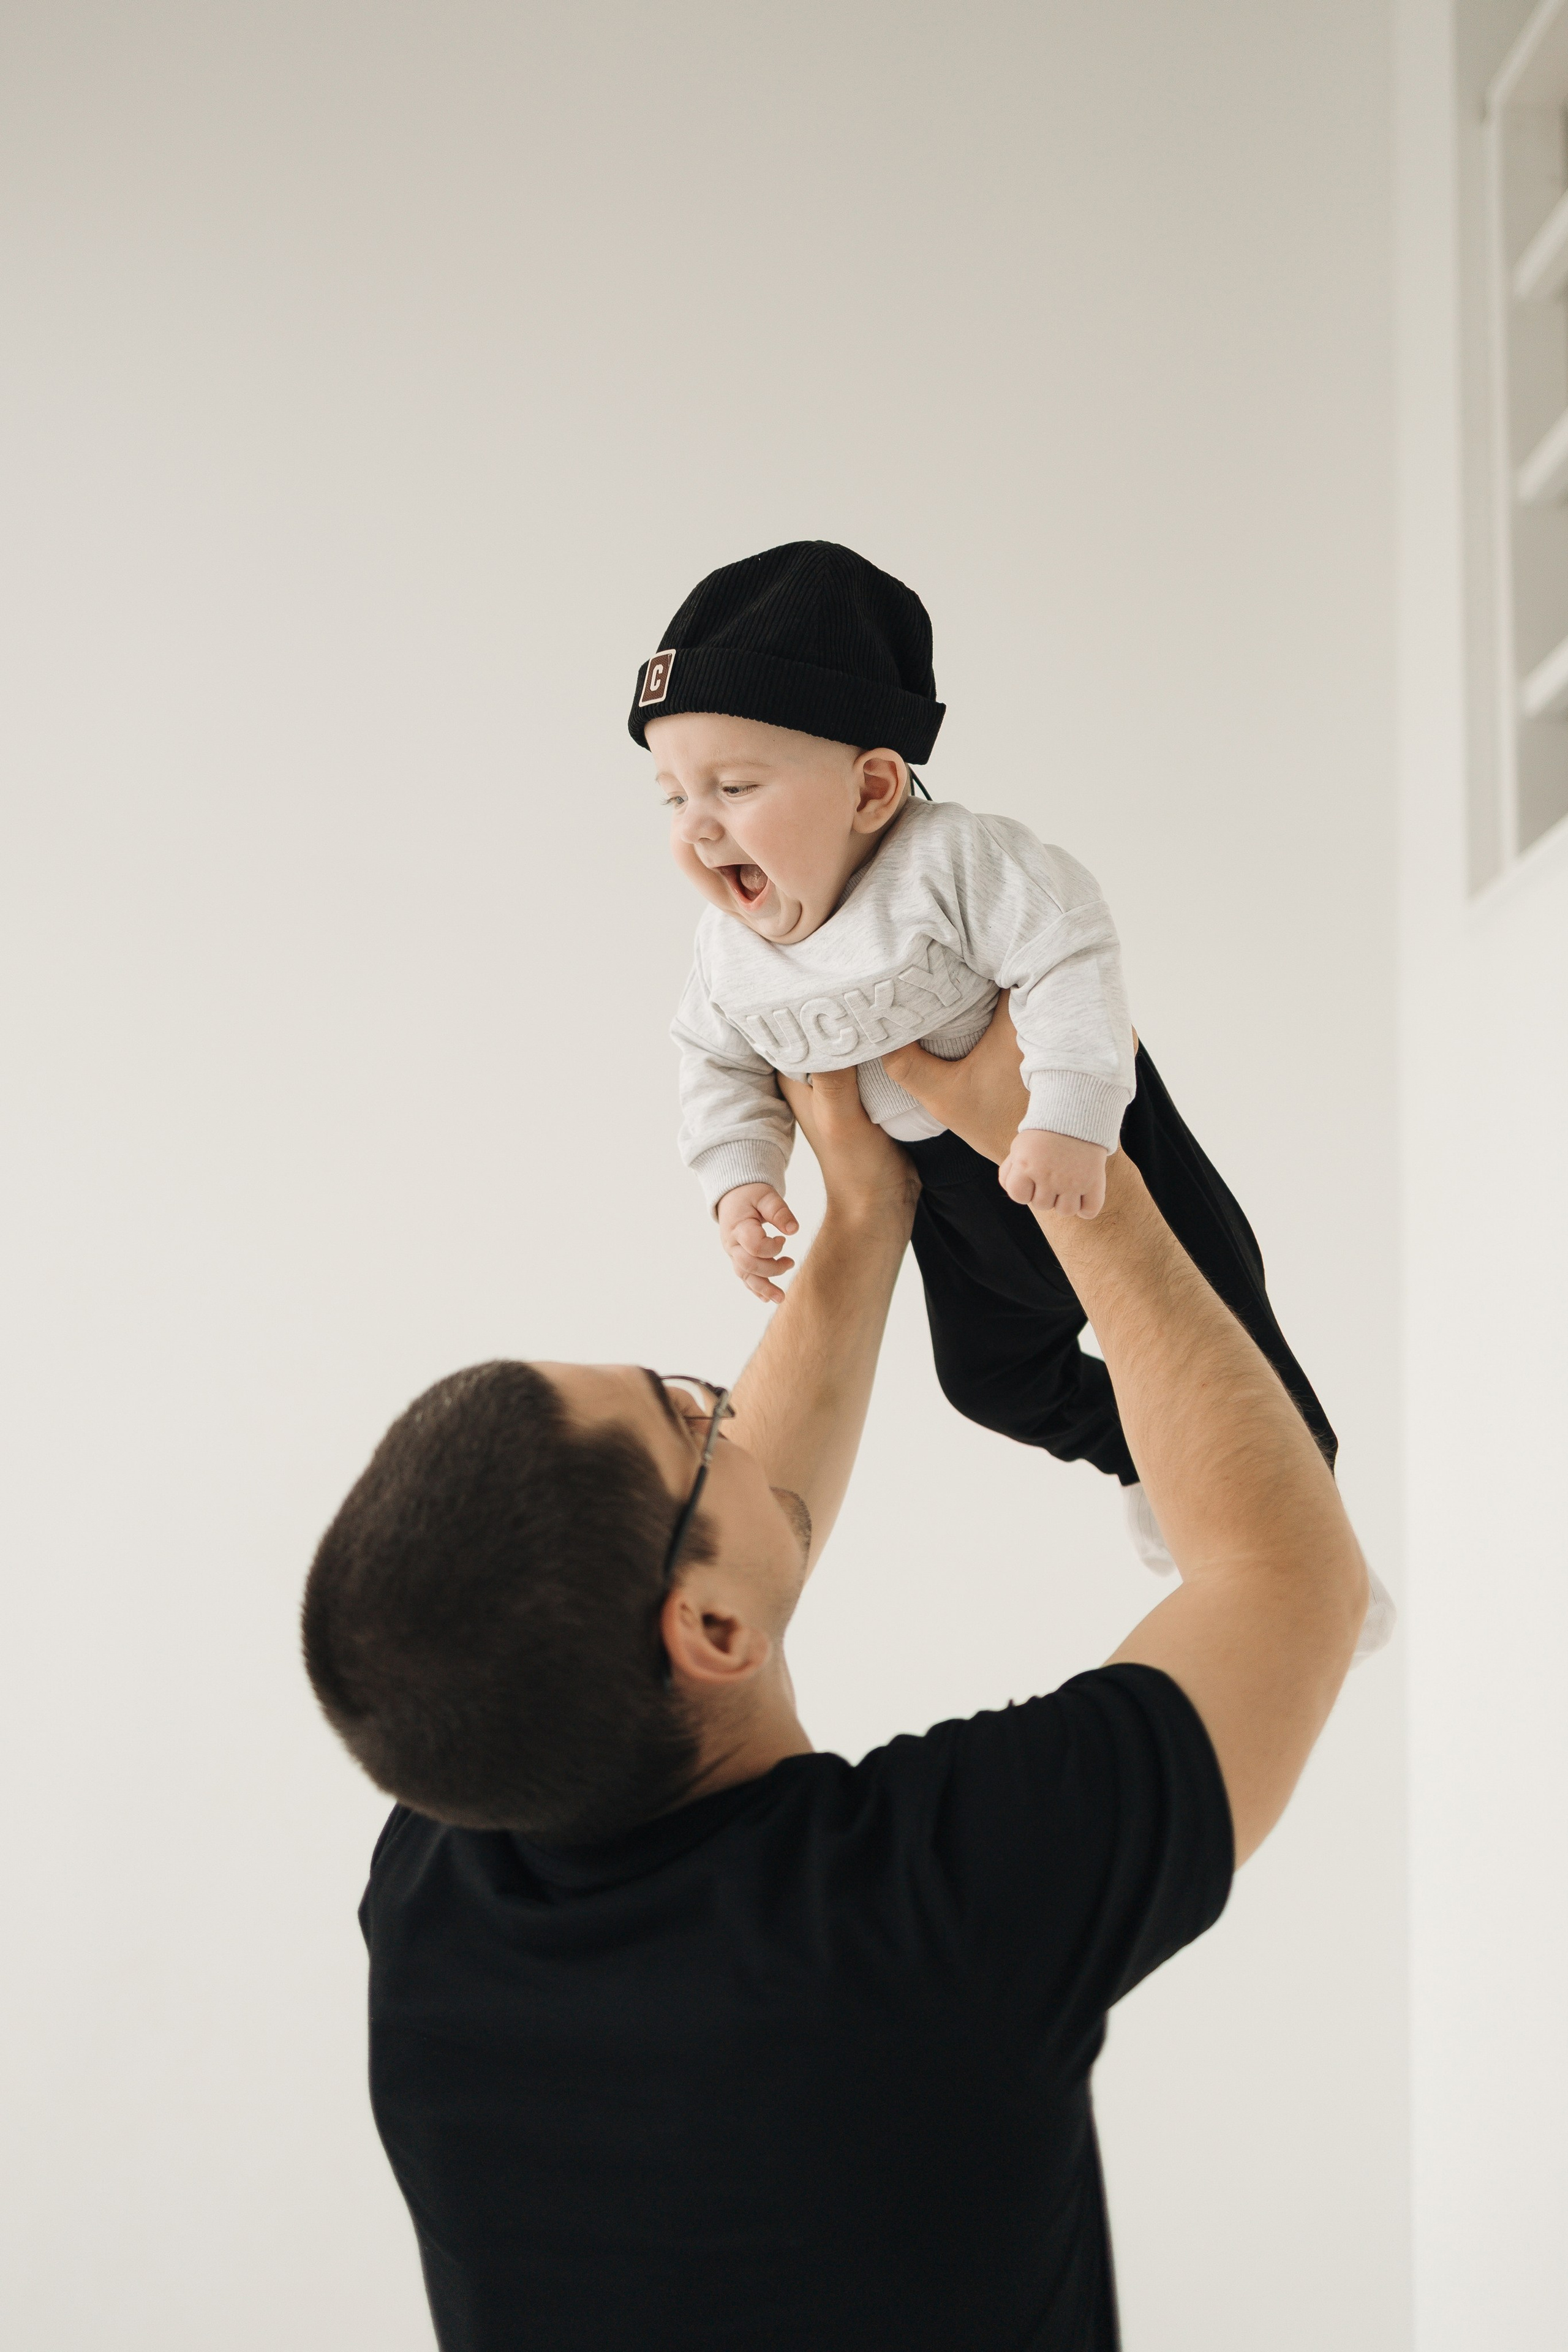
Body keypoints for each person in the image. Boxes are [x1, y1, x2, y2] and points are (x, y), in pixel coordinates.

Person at [302, 1008, 1371, 2351]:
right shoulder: (923, 1917)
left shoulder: (448, 1884)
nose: (723, 1415)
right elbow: (1285, 1578)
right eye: (691, 1413)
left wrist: (863, 1212)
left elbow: (725, 1541)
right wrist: (1074, 1180)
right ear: (707, 1637)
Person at [640, 540, 1392, 1645]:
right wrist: (739, 1180)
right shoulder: (731, 950)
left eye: (736, 787)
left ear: (873, 785)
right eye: (671, 794)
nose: (697, 827)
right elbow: (713, 1062)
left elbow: (1071, 951)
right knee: (988, 1378)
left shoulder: (949, 863)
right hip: (949, 1189)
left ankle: (1314, 1527)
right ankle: (1140, 1449)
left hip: (1085, 1131)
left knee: (1222, 1322)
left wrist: (1074, 1115)